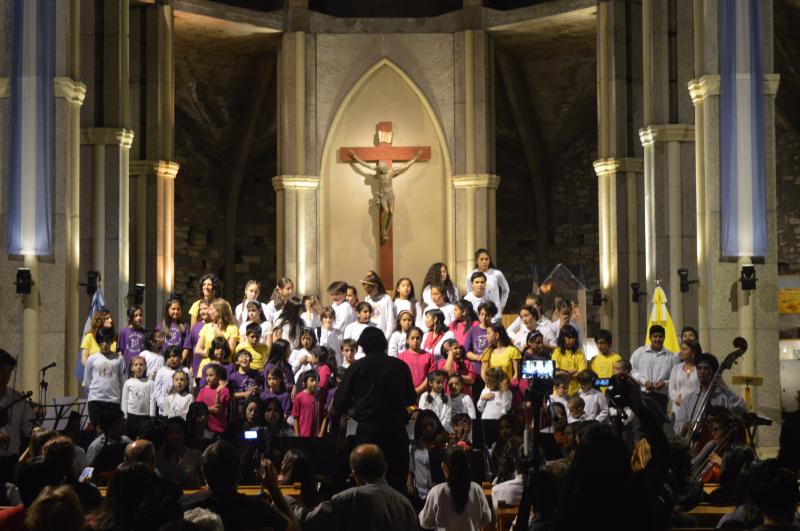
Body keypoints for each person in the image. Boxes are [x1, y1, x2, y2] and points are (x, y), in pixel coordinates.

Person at [332, 327, 417, 493]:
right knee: (396, 486)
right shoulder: (400, 366)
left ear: (363, 346)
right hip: (395, 431)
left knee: (367, 485)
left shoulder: (357, 367)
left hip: (368, 431)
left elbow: (340, 402)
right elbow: (410, 399)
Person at [288, 444, 417, 531]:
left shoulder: (349, 498)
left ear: (355, 474)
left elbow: (308, 519)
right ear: (386, 468)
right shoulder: (405, 504)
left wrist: (286, 498)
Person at [180, 441, 297, 531]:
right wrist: (274, 490)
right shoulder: (256, 508)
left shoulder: (185, 505)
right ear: (238, 474)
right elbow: (294, 528)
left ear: (204, 474)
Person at [419, 446, 492, 531]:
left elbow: (425, 522)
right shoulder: (476, 489)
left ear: (443, 467)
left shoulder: (437, 492)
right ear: (467, 467)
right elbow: (487, 518)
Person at [673, 353, 747, 436]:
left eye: (706, 368)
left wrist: (726, 389)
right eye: (699, 368)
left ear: (714, 372)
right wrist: (684, 427)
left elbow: (742, 410)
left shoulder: (723, 396)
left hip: (718, 445)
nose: (702, 372)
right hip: (694, 446)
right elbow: (676, 429)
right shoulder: (688, 398)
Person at [0, 349, 35, 484]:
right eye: (2, 372)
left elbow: (30, 428)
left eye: (8, 372)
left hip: (12, 462)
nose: (6, 377)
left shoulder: (17, 398)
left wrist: (39, 426)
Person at [630, 324, 678, 416]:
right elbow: (632, 371)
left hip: (661, 397)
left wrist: (664, 383)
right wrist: (644, 381)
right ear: (650, 337)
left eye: (660, 337)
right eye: (655, 336)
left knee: (659, 426)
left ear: (664, 338)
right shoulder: (639, 352)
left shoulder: (671, 356)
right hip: (642, 394)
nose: (657, 339)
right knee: (642, 425)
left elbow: (675, 377)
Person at [83, 328, 126, 427]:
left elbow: (122, 381)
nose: (105, 344)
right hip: (95, 401)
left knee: (112, 432)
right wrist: (96, 393)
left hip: (113, 401)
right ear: (98, 342)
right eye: (101, 341)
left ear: (112, 341)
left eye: (107, 341)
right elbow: (87, 381)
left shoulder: (119, 359)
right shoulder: (91, 359)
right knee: (97, 431)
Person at [157, 417, 203, 489]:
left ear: (184, 433)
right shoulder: (161, 456)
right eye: (170, 432)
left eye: (178, 431)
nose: (175, 435)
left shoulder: (195, 454)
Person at [464, 249, 510, 316]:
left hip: (495, 314)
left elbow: (506, 289)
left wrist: (502, 305)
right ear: (476, 261)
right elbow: (470, 292)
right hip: (477, 314)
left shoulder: (497, 274)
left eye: (486, 259)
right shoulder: (470, 276)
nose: (484, 261)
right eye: (481, 259)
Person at [194, 298, 239, 363]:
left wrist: (219, 334)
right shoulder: (207, 326)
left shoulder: (233, 328)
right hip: (206, 366)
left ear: (219, 311)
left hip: (223, 367)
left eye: (211, 309)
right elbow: (197, 350)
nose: (208, 312)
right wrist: (214, 356)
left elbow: (230, 351)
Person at [120, 355, 154, 438]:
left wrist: (152, 416)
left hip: (145, 416)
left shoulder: (150, 383)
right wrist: (124, 416)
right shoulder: (128, 382)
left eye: (141, 365)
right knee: (130, 437)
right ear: (131, 368)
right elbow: (124, 400)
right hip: (131, 416)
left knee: (144, 438)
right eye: (136, 365)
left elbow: (152, 400)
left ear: (145, 367)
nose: (139, 367)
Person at [154, 346, 192, 416]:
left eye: (174, 356)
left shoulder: (186, 370)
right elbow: (157, 391)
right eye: (169, 357)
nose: (172, 359)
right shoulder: (161, 372)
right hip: (165, 412)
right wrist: (164, 405)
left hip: (182, 411)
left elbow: (190, 388)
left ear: (180, 357)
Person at [398, 327, 436, 395]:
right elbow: (399, 377)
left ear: (421, 339)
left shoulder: (429, 356)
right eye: (412, 338)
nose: (415, 340)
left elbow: (432, 376)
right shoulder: (401, 357)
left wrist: (418, 390)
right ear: (407, 340)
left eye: (418, 338)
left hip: (424, 394)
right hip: (406, 394)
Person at [196, 364, 230, 438]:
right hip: (203, 428)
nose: (208, 378)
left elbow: (217, 409)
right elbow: (197, 407)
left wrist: (218, 393)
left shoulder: (224, 390)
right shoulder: (203, 390)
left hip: (218, 428)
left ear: (218, 376)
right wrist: (210, 408)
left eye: (211, 375)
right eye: (207, 375)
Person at [550, 324, 586, 395]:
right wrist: (570, 373)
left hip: (576, 392)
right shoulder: (556, 352)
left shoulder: (579, 353)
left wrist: (563, 373)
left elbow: (582, 373)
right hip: (559, 392)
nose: (572, 340)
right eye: (569, 338)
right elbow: (556, 373)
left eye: (573, 338)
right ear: (563, 337)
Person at [361, 270, 396, 339]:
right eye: (366, 291)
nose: (368, 294)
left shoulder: (386, 299)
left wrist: (386, 338)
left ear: (376, 287)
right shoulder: (367, 299)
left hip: (382, 335)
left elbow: (390, 321)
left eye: (370, 291)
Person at [668, 339, 701, 408]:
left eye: (684, 349)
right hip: (679, 407)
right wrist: (678, 400)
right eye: (681, 349)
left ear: (693, 352)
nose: (681, 352)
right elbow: (671, 389)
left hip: (696, 406)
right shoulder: (676, 368)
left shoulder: (700, 368)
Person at [292, 371, 319, 437]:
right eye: (312, 380)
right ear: (304, 383)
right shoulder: (299, 397)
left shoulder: (318, 398)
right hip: (303, 434)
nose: (315, 383)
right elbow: (295, 417)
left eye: (316, 380)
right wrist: (297, 434)